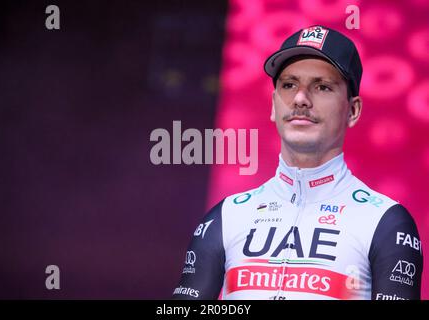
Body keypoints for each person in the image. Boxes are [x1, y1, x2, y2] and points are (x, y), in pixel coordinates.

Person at [172, 25, 423, 300]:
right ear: (272, 105)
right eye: (289, 84)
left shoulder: (385, 221)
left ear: (353, 110)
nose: (301, 99)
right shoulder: (227, 215)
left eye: (322, 86)